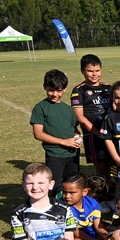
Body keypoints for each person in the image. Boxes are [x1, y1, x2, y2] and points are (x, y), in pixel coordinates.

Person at [32, 69, 82, 198]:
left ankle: (69, 210)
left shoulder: (68, 109)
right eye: (51, 90)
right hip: (55, 155)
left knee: (72, 184)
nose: (55, 94)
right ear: (45, 87)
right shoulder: (40, 107)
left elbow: (74, 129)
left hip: (72, 154)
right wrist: (63, 141)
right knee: (52, 186)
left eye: (59, 90)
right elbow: (38, 134)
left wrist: (78, 136)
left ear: (64, 89)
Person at [70, 54, 112, 181]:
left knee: (113, 168)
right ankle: (101, 198)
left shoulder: (108, 88)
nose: (94, 74)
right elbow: (80, 117)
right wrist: (98, 133)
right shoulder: (79, 91)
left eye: (97, 70)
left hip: (111, 134)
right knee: (101, 170)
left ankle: (111, 196)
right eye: (90, 71)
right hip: (94, 137)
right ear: (82, 71)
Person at [60, 172, 107, 240]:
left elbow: (98, 226)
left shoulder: (92, 203)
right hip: (76, 238)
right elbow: (74, 231)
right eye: (64, 192)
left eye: (72, 193)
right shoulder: (61, 207)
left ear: (84, 192)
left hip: (93, 235)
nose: (67, 196)